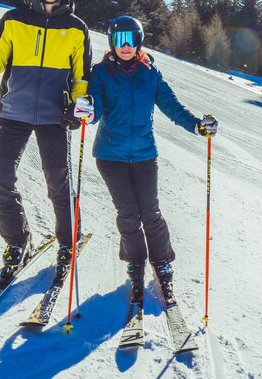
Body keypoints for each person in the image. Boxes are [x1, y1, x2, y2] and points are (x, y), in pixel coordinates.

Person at [73, 16, 218, 305]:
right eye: (119, 40)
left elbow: (172, 106)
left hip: (143, 155)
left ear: (139, 41)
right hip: (110, 156)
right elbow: (96, 106)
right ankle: (135, 262)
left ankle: (162, 262)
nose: (125, 46)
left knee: (150, 212)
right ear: (112, 43)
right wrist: (88, 111)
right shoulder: (100, 72)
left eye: (130, 40)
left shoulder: (150, 73)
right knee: (127, 213)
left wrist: (196, 126)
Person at [0, 0, 92, 277]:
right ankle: (17, 241)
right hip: (13, 112)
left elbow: (81, 78)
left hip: (54, 117)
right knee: (0, 179)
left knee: (58, 183)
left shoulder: (76, 29)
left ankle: (68, 240)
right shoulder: (13, 20)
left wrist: (76, 110)